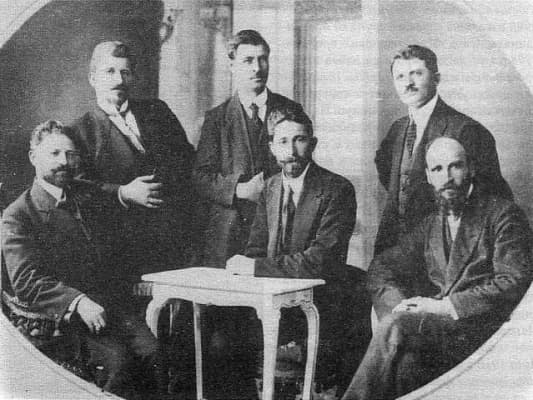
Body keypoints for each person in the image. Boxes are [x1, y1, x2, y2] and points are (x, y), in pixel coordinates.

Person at [342, 136, 532, 400]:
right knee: (406, 363)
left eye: (456, 166)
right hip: (439, 334)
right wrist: (399, 305)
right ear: (429, 177)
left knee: (395, 329)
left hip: (483, 334)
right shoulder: (432, 224)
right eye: (438, 169)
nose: (447, 177)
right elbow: (382, 266)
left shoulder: (502, 215)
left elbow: (513, 281)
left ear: (471, 168)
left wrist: (442, 306)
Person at [1, 121, 169, 399]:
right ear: (33, 157)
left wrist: (125, 192)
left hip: (110, 308)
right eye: (54, 153)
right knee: (120, 366)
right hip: (63, 321)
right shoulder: (18, 215)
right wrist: (78, 302)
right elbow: (27, 281)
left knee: (156, 355)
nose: (64, 162)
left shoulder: (81, 191)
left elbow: (107, 190)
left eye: (70, 154)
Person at [226, 105, 369, 392]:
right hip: (274, 302)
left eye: (299, 140)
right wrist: (247, 266)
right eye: (282, 141)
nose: (291, 150)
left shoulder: (337, 189)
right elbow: (256, 249)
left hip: (321, 302)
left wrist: (254, 267)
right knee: (219, 335)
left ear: (312, 144)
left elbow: (320, 261)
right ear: (272, 147)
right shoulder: (270, 187)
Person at [71, 41, 195, 277]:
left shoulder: (157, 111)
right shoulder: (80, 132)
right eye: (109, 71)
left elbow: (188, 161)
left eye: (125, 72)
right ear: (92, 78)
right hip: (121, 250)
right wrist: (122, 193)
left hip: (172, 242)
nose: (118, 79)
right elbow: (80, 189)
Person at [374, 44, 512, 255]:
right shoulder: (398, 129)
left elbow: (490, 198)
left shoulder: (467, 130)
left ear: (436, 79)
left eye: (416, 74)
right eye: (400, 77)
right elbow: (388, 173)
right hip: (395, 245)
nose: (408, 83)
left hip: (444, 250)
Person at [193, 29, 305, 267]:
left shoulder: (292, 110)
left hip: (280, 226)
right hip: (230, 233)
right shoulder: (216, 118)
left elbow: (305, 167)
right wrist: (239, 189)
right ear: (232, 66)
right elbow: (200, 177)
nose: (257, 68)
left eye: (262, 59)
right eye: (248, 60)